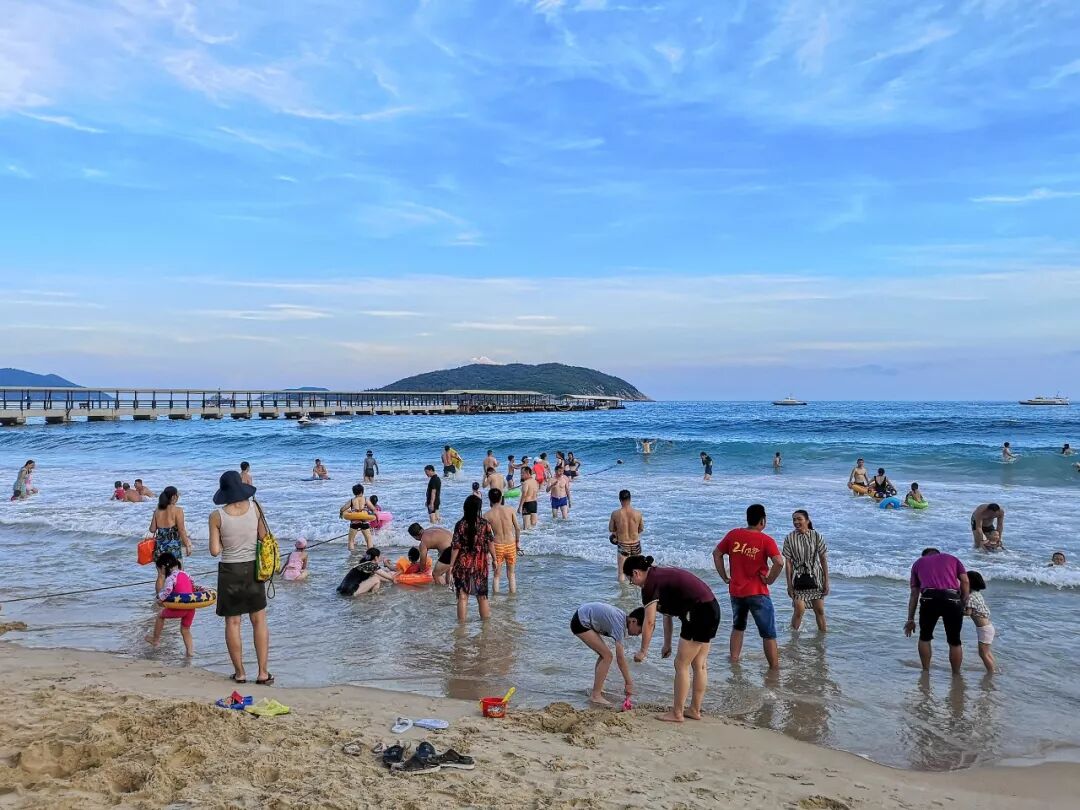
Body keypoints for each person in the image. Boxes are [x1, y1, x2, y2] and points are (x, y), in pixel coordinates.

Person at [623, 555, 720, 723]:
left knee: (681, 664)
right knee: (699, 664)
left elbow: (649, 622)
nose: (633, 583)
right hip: (711, 608)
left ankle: (677, 713)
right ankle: (694, 710)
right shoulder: (659, 575)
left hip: (697, 612)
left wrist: (643, 651)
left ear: (636, 573)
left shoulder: (649, 585)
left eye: (631, 580)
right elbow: (666, 614)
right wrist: (667, 643)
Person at [209, 470, 272, 685]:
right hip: (253, 569)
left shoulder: (217, 516)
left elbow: (214, 551)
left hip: (230, 571)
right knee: (259, 620)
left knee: (233, 622)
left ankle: (240, 673)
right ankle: (263, 673)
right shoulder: (256, 507)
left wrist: (225, 539)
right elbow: (263, 536)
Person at [714, 504, 785, 669]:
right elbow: (779, 562)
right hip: (757, 592)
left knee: (738, 627)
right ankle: (774, 669)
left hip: (736, 591)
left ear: (748, 519)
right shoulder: (765, 540)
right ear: (763, 521)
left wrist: (724, 576)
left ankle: (734, 662)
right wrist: (770, 579)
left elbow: (716, 554)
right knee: (768, 634)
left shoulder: (733, 535)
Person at [904, 548, 969, 675]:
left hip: (929, 599)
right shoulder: (952, 559)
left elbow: (914, 593)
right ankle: (956, 674)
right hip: (952, 599)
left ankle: (925, 671)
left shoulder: (918, 563)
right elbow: (965, 581)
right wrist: (963, 601)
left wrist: (910, 619)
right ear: (938, 554)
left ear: (924, 555)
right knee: (955, 641)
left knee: (925, 637)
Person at [571, 602, 645, 706]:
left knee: (604, 655)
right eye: (640, 631)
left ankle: (597, 690)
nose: (638, 634)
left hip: (581, 617)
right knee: (607, 656)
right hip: (580, 622)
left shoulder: (621, 619)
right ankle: (596, 695)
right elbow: (620, 659)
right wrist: (629, 683)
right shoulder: (619, 625)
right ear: (634, 621)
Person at [449, 495, 496, 622]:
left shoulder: (460, 525)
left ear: (465, 508)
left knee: (462, 597)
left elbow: (456, 547)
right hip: (480, 565)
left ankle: (461, 627)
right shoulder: (485, 524)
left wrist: (451, 565)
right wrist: (495, 559)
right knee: (482, 596)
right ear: (478, 509)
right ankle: (486, 626)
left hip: (462, 564)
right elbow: (490, 542)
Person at [782, 510, 829, 632]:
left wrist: (826, 581)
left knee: (819, 610)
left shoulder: (816, 536)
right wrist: (789, 586)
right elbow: (788, 563)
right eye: (794, 519)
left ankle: (823, 638)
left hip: (816, 577)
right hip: (798, 577)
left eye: (799, 519)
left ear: (807, 521)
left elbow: (823, 559)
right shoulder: (789, 538)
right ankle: (793, 639)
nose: (796, 522)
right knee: (799, 610)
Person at [146, 552, 196, 657]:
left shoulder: (171, 578)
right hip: (191, 607)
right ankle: (190, 653)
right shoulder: (185, 574)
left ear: (164, 567)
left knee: (160, 616)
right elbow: (192, 584)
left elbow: (167, 590)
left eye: (160, 570)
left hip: (180, 607)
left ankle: (155, 640)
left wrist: (160, 600)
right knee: (185, 629)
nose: (161, 572)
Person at [148, 486, 193, 591]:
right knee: (177, 574)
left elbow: (152, 529)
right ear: (173, 497)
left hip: (160, 548)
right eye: (177, 494)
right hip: (173, 548)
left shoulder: (157, 511)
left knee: (161, 575)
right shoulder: (178, 510)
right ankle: (177, 597)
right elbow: (181, 530)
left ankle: (159, 597)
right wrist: (187, 544)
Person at [487, 489, 521, 594]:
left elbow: (487, 536)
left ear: (490, 499)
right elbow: (518, 528)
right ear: (501, 498)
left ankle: (496, 599)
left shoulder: (487, 515)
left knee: (496, 575)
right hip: (510, 544)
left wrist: (487, 551)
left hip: (497, 546)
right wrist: (517, 542)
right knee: (511, 574)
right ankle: (512, 598)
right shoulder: (510, 509)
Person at [609, 489, 644, 583]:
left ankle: (622, 592)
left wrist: (618, 532)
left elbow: (611, 529)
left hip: (623, 545)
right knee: (637, 572)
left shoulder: (615, 514)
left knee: (621, 573)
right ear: (630, 499)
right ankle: (636, 591)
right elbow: (641, 529)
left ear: (620, 499)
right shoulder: (638, 513)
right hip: (636, 544)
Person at [965, 571, 996, 674]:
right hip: (987, 627)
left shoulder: (970, 596)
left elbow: (968, 613)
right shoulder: (977, 594)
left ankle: (991, 672)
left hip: (984, 629)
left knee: (983, 653)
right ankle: (994, 669)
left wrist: (956, 611)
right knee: (986, 652)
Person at [340, 483, 375, 551]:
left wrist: (341, 514)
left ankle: (352, 554)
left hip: (354, 522)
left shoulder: (352, 500)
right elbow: (373, 509)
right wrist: (371, 515)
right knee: (368, 539)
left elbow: (342, 509)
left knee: (351, 540)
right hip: (364, 521)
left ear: (354, 492)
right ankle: (371, 553)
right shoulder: (365, 499)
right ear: (362, 491)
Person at [518, 465, 539, 529]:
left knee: (526, 527)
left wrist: (520, 507)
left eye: (522, 473)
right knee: (533, 525)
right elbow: (536, 493)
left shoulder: (526, 483)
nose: (521, 475)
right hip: (534, 503)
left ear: (527, 473)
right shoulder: (535, 481)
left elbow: (524, 495)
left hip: (527, 504)